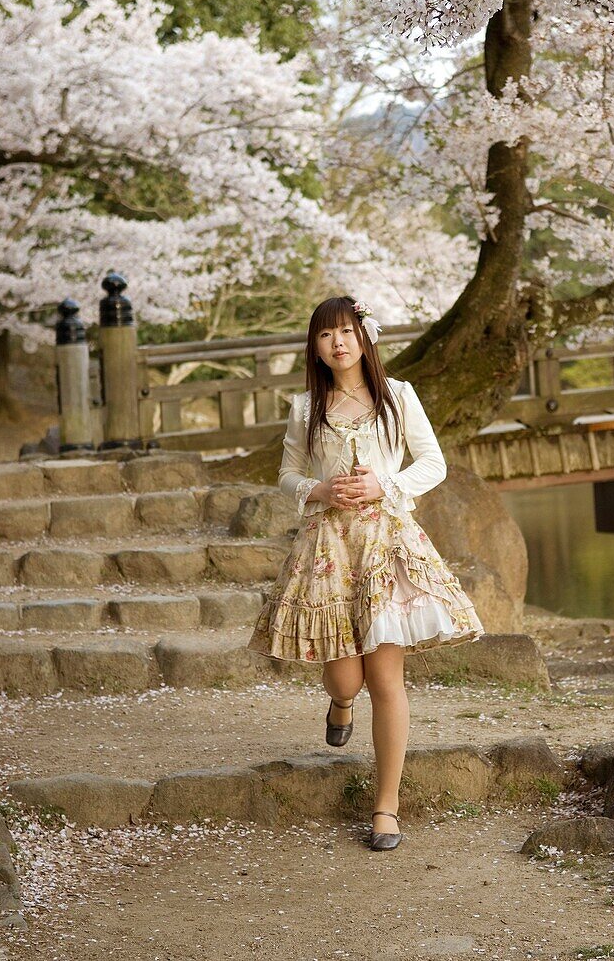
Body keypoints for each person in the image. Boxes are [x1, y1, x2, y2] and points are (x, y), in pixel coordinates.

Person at [247, 296, 485, 851]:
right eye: (327, 334)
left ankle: (387, 807)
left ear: (365, 336)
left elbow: (433, 462)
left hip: (386, 542)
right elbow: (286, 471)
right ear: (315, 346)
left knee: (386, 681)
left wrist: (385, 484)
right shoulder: (306, 406)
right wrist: (317, 489)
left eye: (348, 331)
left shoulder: (397, 397)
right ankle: (339, 703)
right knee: (348, 679)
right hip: (329, 547)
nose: (338, 342)